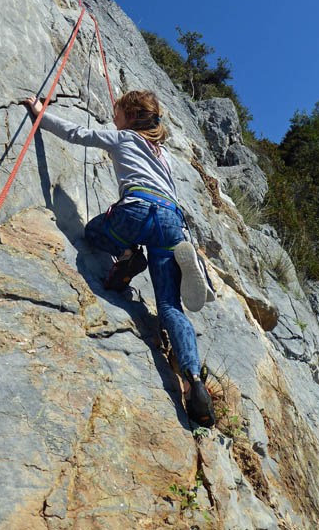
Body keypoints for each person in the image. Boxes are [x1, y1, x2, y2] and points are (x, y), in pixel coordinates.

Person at [26, 90, 216, 427]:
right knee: (170, 307)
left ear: (128, 115)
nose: (112, 115)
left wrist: (41, 112)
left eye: (117, 111)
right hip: (172, 222)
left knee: (94, 233)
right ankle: (193, 380)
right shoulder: (164, 155)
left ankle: (127, 254)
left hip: (136, 211)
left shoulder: (121, 137)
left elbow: (76, 134)